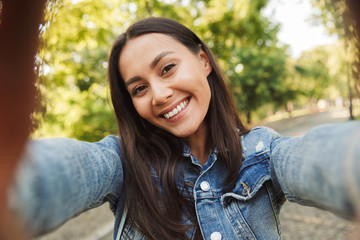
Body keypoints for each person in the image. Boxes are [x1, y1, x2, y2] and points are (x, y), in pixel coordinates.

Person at [9, 17, 360, 240]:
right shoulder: (122, 163)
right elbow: (49, 174)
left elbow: (328, 159)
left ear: (203, 60)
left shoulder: (263, 155)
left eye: (167, 68)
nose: (159, 95)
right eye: (139, 88)